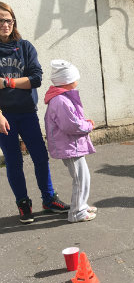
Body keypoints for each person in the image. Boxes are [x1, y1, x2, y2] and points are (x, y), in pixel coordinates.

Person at [0, 1, 69, 224]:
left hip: (27, 112)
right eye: (0, 21)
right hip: (4, 116)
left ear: (14, 22)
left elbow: (36, 79)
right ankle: (23, 203)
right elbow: (28, 80)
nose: (5, 25)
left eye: (8, 20)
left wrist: (7, 82)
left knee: (40, 156)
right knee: (13, 161)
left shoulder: (25, 47)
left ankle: (49, 199)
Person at [44, 60, 97, 223]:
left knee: (83, 177)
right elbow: (70, 125)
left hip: (71, 145)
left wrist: (83, 122)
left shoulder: (63, 98)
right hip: (69, 146)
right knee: (80, 179)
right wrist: (88, 126)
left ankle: (80, 205)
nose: (77, 80)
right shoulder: (61, 101)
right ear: (67, 80)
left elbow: (71, 120)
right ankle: (76, 212)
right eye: (75, 77)